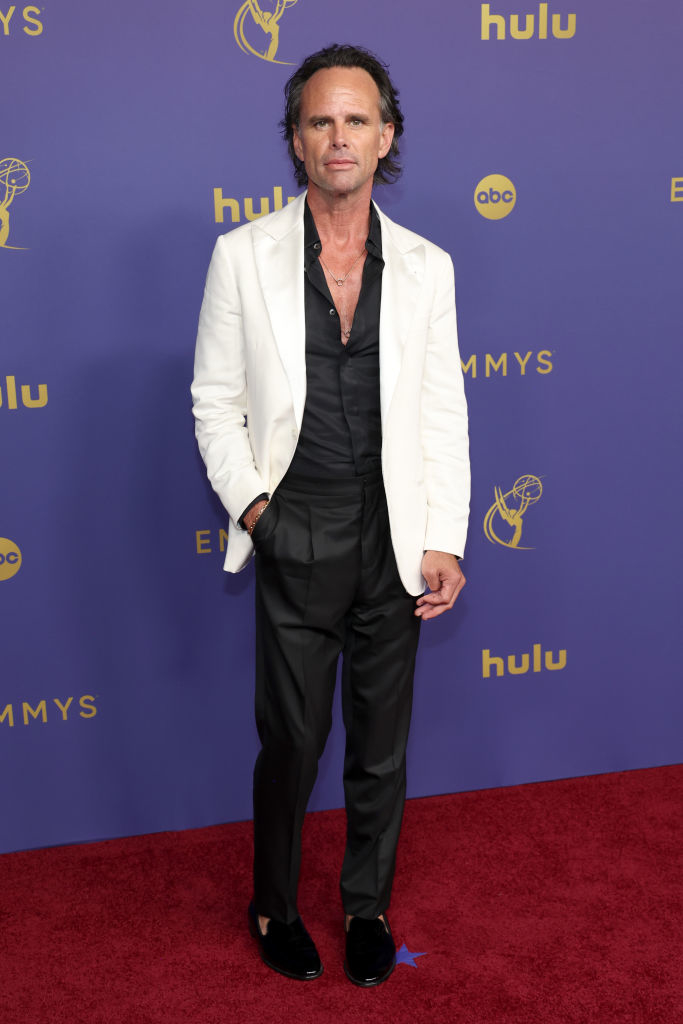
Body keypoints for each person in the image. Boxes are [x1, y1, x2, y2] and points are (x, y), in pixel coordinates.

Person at [191, 43, 470, 987]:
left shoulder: (428, 268)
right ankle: (272, 903)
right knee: (295, 743)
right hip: (295, 528)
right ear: (296, 140)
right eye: (320, 120)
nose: (338, 136)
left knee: (379, 752)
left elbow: (441, 410)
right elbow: (213, 402)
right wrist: (261, 513)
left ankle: (367, 908)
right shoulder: (242, 256)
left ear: (384, 136)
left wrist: (442, 539)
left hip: (392, 539)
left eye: (356, 120)